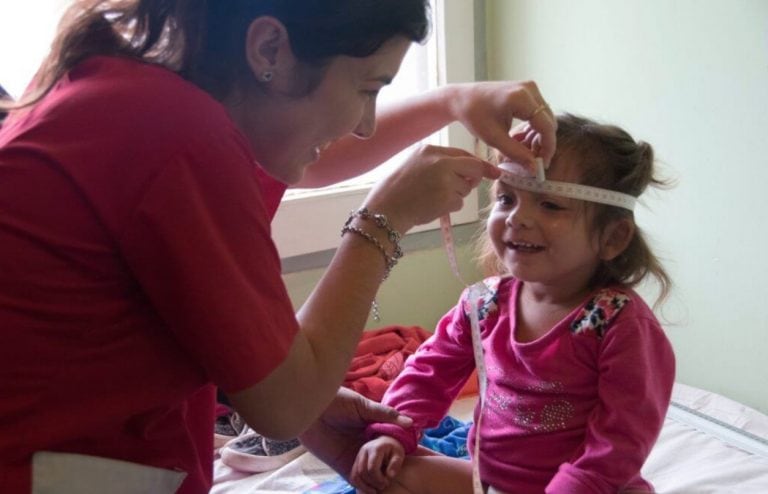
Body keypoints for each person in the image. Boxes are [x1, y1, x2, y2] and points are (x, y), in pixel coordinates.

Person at [0, 1, 557, 492]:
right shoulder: (177, 137)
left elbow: (314, 158)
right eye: (368, 88)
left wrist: (454, 102)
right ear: (268, 47)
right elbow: (283, 405)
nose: (364, 125)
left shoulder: (136, 96)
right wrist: (383, 222)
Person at [350, 113, 676, 494]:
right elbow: (430, 370)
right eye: (506, 198)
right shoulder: (484, 303)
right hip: (487, 481)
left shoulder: (618, 324)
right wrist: (392, 431)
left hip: (587, 487)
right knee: (390, 477)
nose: (517, 218)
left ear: (614, 237)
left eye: (550, 205)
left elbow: (621, 438)